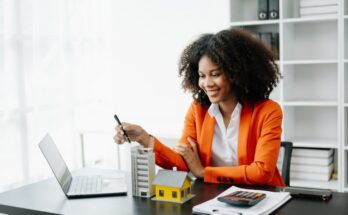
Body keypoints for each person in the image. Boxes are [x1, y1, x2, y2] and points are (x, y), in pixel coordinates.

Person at [114, 27, 284, 186]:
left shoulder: (268, 111)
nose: (207, 83)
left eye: (215, 74)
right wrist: (144, 138)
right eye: (202, 76)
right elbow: (181, 163)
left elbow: (262, 172)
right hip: (218, 200)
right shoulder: (198, 111)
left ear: (236, 73)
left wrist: (203, 172)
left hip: (263, 198)